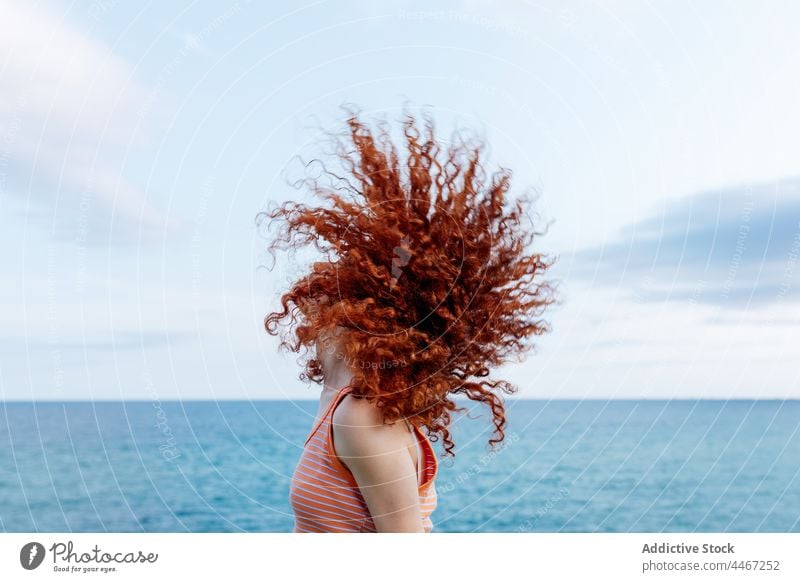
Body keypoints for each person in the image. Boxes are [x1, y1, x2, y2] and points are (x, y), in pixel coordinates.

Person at [261, 105, 559, 532]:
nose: (313, 294)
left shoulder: (361, 419)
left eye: (338, 288)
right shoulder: (341, 403)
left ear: (367, 321)